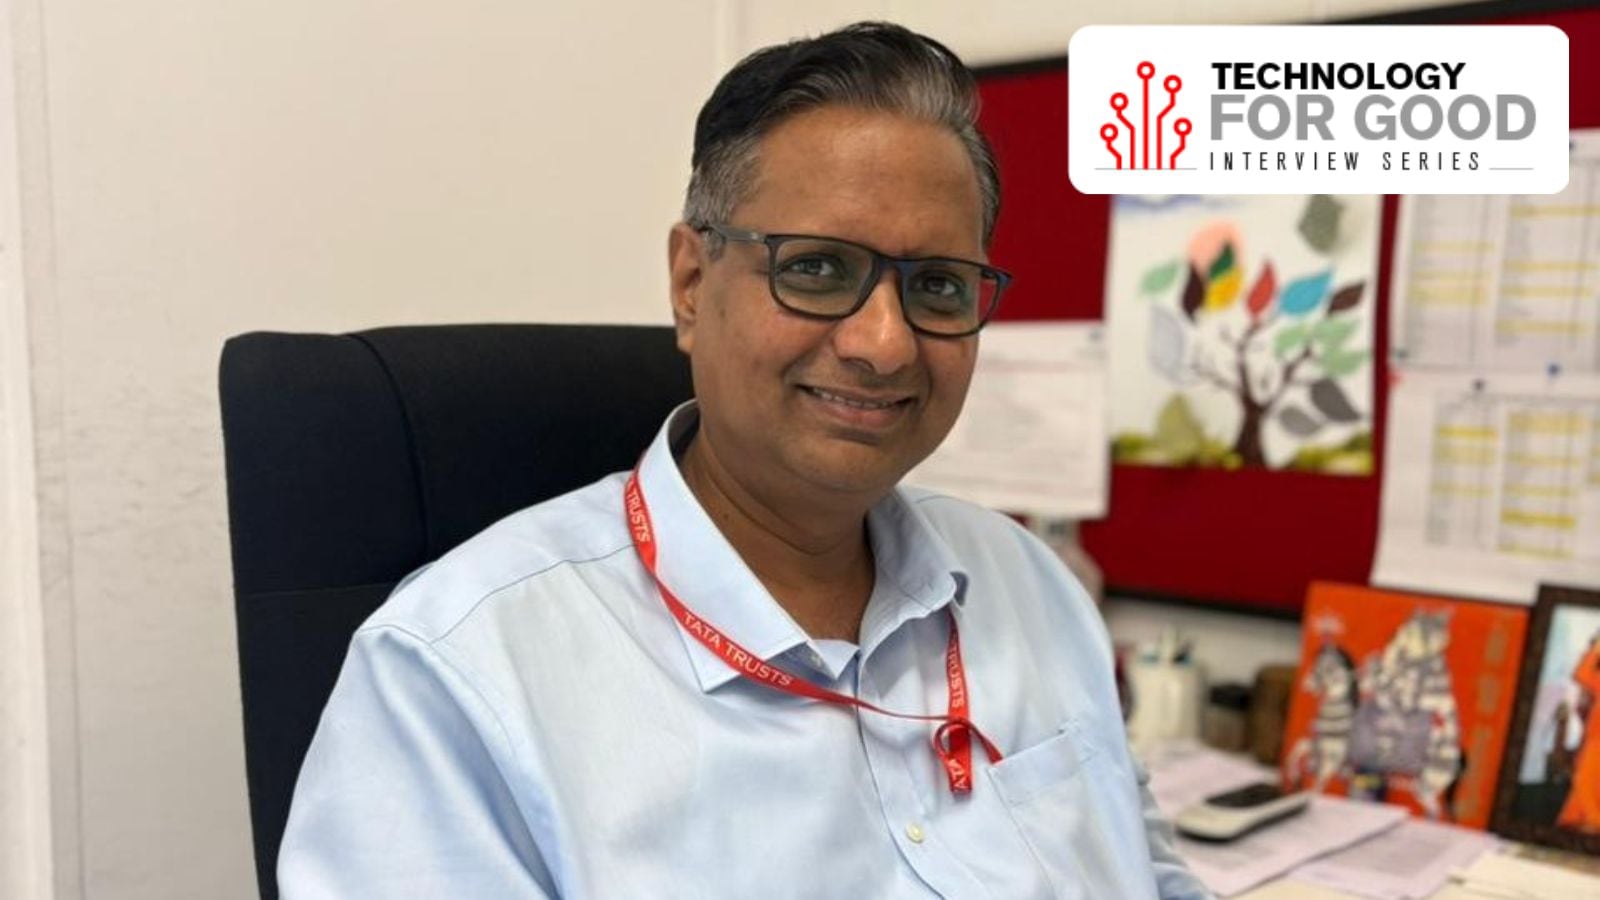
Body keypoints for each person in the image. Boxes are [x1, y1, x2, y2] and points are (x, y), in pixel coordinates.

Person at [277, 22, 1211, 899]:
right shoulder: (457, 676)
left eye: (936, 285)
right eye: (817, 268)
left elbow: (1150, 872)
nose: (885, 344)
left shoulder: (1029, 585)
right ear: (691, 284)